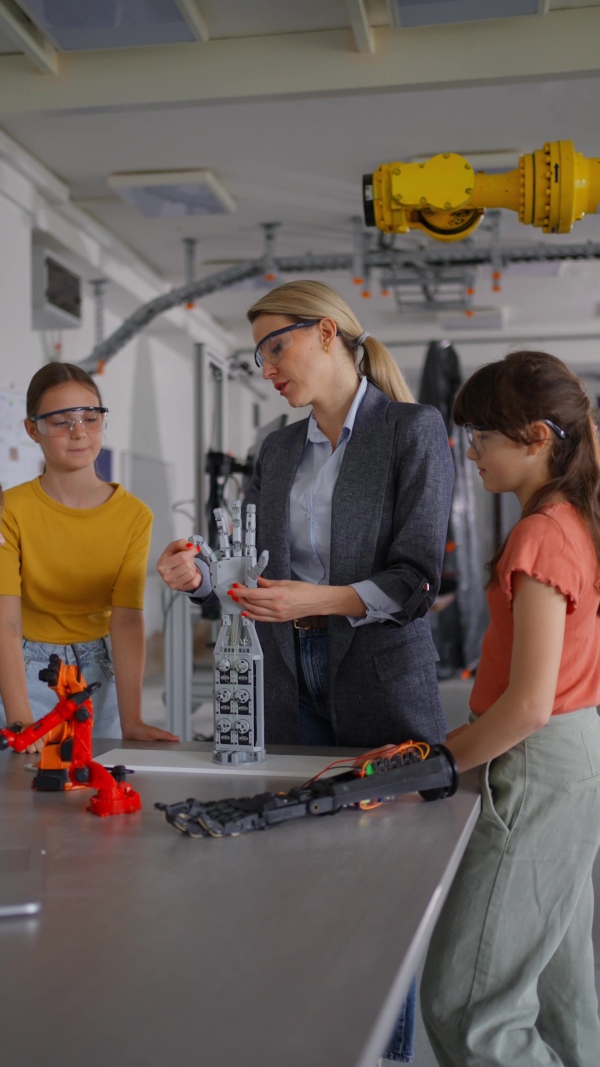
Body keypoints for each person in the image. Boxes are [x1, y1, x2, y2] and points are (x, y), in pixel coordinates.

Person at [157, 280, 455, 1063]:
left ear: (327, 333)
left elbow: (417, 580)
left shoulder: (412, 431)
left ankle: (382, 1052)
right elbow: (253, 576)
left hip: (381, 681)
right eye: (257, 355)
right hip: (289, 677)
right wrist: (203, 575)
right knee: (292, 881)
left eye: (274, 347)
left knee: (378, 903)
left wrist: (316, 599)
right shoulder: (278, 448)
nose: (266, 368)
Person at [421, 350, 600, 1067]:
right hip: (573, 751)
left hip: (538, 762)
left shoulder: (542, 533)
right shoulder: (576, 519)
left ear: (534, 437)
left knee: (468, 1007)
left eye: (482, 437)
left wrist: (442, 760)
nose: (472, 454)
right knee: (561, 984)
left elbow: (527, 704)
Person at [0, 362, 179, 754]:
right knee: (22, 797)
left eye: (90, 417)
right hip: (25, 670)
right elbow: (6, 621)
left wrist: (132, 719)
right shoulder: (10, 508)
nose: (79, 432)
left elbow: (128, 620)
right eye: (62, 421)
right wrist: (19, 716)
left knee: (94, 786)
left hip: (99, 673)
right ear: (33, 429)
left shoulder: (134, 515)